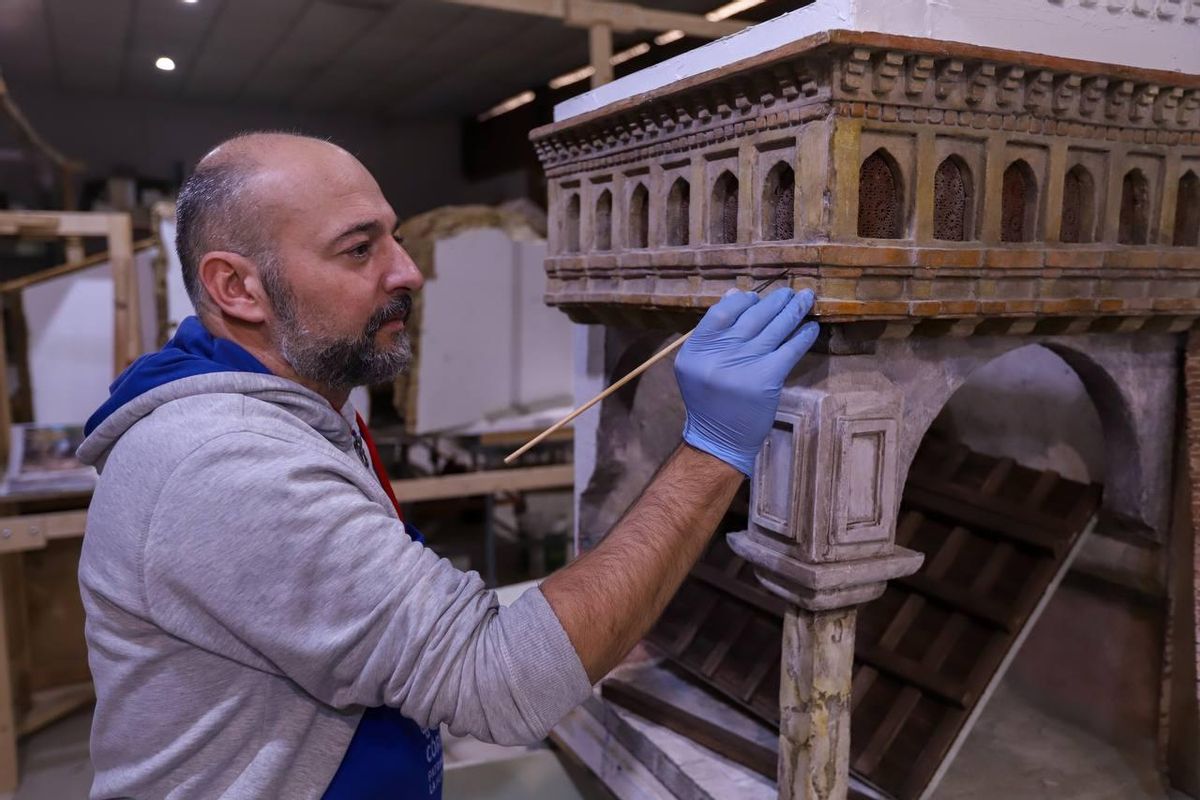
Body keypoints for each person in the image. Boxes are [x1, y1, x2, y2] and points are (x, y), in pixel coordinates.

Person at [77, 132, 819, 799]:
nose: (408, 272)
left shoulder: (300, 408)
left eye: (395, 239)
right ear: (236, 287)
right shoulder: (225, 463)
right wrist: (713, 452)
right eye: (359, 249)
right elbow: (500, 684)